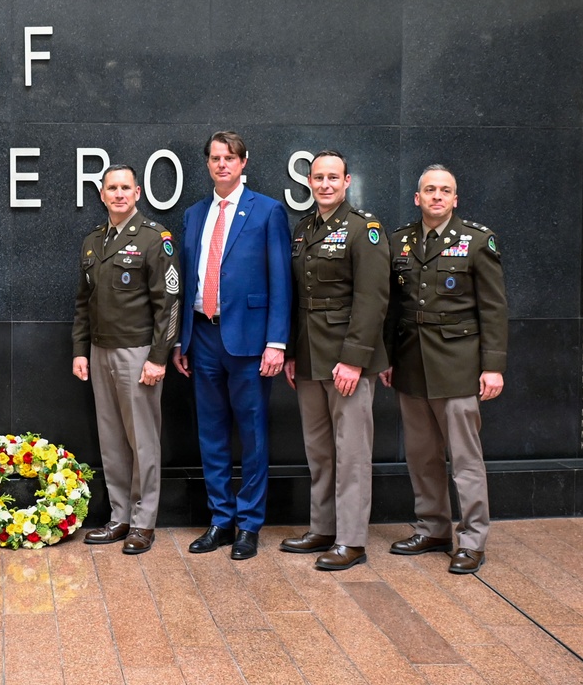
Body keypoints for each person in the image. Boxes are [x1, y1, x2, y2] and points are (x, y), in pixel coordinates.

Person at [381, 164, 507, 575]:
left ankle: (471, 540)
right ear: (417, 198)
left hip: (457, 365)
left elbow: (493, 309)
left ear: (456, 199)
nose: (437, 196)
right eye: (430, 190)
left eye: (445, 190)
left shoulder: (476, 241)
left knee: (466, 460)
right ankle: (433, 527)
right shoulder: (399, 242)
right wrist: (386, 357)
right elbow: (391, 309)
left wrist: (493, 368)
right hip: (411, 363)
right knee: (421, 456)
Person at [173, 131, 291, 561]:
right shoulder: (194, 214)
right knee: (212, 434)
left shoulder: (268, 211)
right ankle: (220, 520)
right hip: (202, 336)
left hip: (250, 341)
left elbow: (282, 281)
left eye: (230, 158)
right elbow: (187, 283)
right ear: (207, 164)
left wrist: (276, 342)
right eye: (215, 158)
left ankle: (249, 525)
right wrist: (181, 339)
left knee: (253, 436)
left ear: (244, 162)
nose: (222, 164)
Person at [281, 152, 388, 571]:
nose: (325, 184)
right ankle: (322, 528)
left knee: (352, 451)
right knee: (319, 451)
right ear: (309, 181)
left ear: (347, 181)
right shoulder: (304, 228)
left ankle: (352, 540)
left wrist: (354, 360)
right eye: (318, 177)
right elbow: (298, 298)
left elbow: (372, 299)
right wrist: (291, 352)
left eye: (333, 177)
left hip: (346, 358)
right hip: (309, 356)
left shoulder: (365, 230)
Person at [72, 164, 181, 556]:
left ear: (137, 192)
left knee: (143, 441)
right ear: (101, 195)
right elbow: (83, 304)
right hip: (100, 351)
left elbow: (169, 304)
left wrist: (158, 357)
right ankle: (119, 517)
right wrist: (79, 351)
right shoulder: (93, 241)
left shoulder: (155, 238)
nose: (118, 194)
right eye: (111, 188)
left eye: (125, 188)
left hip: (138, 354)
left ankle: (143, 522)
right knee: (112, 440)